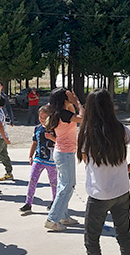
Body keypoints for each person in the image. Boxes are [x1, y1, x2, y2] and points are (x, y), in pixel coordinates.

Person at [77, 88, 130, 255]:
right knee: (124, 235)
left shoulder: (87, 132)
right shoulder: (120, 129)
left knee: (92, 239)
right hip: (122, 191)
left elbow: (86, 160)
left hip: (99, 193)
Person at [44, 88, 84, 231]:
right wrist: (77, 102)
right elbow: (83, 118)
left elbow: (72, 111)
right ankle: (52, 219)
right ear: (63, 99)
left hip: (62, 152)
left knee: (63, 185)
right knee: (68, 185)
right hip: (65, 153)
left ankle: (63, 216)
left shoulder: (59, 113)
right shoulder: (65, 114)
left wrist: (70, 101)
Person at [20, 105, 57, 213]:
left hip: (52, 161)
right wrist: (30, 155)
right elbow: (34, 142)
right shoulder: (37, 128)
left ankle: (54, 201)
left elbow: (60, 143)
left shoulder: (55, 128)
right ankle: (28, 203)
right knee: (32, 180)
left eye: (45, 117)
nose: (42, 119)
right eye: (40, 117)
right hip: (38, 159)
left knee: (53, 182)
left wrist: (52, 138)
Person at [0, 95, 14, 181]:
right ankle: (9, 172)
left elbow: (0, 126)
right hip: (2, 137)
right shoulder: (0, 111)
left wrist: (5, 138)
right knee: (3, 155)